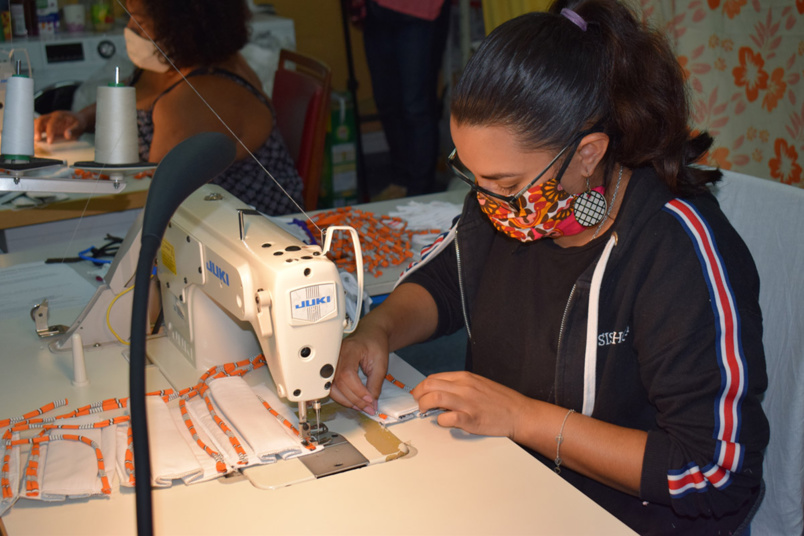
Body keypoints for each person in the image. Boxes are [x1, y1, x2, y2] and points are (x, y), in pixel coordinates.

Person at [331, 1, 769, 534]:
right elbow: (448, 279)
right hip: (518, 486)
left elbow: (715, 472)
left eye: (507, 184)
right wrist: (376, 329)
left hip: (632, 518)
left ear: (588, 154)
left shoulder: (676, 250)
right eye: (473, 177)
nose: (488, 203)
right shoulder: (514, 210)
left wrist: (523, 418)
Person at [33, 0, 304, 216]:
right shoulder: (171, 65)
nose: (130, 29)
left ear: (182, 24)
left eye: (139, 22)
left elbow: (152, 201)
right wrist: (79, 120)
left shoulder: (198, 99)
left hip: (246, 242)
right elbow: (131, 101)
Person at [354, 0, 451, 199]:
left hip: (420, 12)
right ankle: (400, 180)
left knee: (415, 107)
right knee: (386, 102)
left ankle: (420, 191)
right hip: (376, 11)